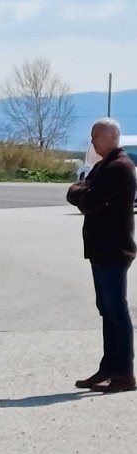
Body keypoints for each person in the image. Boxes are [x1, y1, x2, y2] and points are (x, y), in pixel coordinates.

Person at [67, 118, 137, 393]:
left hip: (113, 249)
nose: (93, 141)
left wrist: (82, 191)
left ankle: (124, 373)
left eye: (96, 136)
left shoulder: (119, 167)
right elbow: (78, 191)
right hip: (100, 249)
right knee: (107, 310)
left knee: (116, 310)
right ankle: (109, 367)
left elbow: (88, 199)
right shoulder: (102, 166)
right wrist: (81, 190)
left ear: (111, 137)